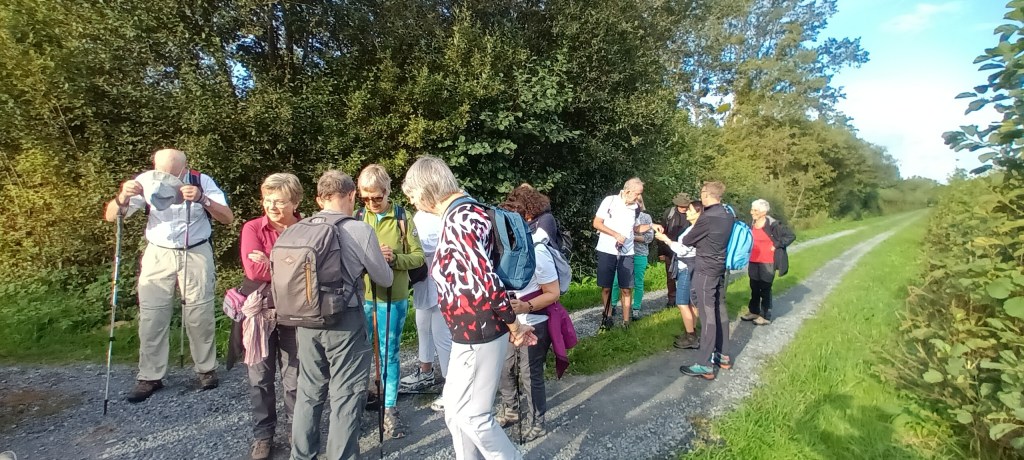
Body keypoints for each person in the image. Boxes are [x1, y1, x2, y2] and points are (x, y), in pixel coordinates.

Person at [402, 155, 536, 460]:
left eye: (412, 195)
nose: (412, 202)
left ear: (426, 190)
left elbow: (486, 280)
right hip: (469, 330)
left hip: (478, 330)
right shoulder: (465, 210)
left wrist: (514, 325)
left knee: (475, 417)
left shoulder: (460, 219)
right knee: (455, 413)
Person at [103, 148, 234, 403]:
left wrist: (202, 199)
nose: (166, 178)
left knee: (199, 313)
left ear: (184, 169)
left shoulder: (201, 180)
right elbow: (112, 216)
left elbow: (227, 218)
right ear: (155, 167)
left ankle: (206, 369)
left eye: (173, 174)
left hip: (195, 250)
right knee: (152, 315)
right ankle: (150, 375)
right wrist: (123, 196)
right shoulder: (145, 182)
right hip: (158, 251)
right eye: (162, 172)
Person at [290, 170, 394, 460]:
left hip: (304, 320)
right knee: (346, 393)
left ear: (319, 199)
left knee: (308, 391)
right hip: (345, 320)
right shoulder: (359, 230)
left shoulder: (298, 229)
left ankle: (301, 456)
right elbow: (384, 279)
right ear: (351, 195)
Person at [355, 164, 425, 438]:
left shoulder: (402, 217)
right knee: (359, 353)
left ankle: (389, 408)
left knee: (389, 353)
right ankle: (356, 406)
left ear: (387, 191)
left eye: (377, 197)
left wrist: (394, 258)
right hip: (362, 297)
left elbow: (418, 257)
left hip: (393, 297)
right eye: (366, 198)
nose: (371, 203)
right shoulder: (358, 217)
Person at [238, 173, 303, 460]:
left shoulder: (307, 228)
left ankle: (296, 431)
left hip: (296, 313)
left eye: (280, 201)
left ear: (295, 202)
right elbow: (254, 271)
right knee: (260, 378)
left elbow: (311, 271)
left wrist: (271, 262)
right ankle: (263, 435)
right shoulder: (252, 227)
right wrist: (288, 265)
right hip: (261, 314)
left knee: (295, 377)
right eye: (268, 200)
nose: (272, 207)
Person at [494, 190, 565, 442]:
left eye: (509, 221)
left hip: (534, 321)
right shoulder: (501, 249)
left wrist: (525, 307)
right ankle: (511, 410)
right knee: (504, 367)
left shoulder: (537, 250)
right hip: (508, 320)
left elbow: (553, 293)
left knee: (529, 374)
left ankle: (537, 421)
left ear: (524, 219)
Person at [679, 181, 734, 380]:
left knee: (707, 313)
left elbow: (687, 240)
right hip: (719, 267)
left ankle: (704, 364)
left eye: (702, 192)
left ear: (706, 194)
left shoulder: (707, 217)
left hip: (705, 270)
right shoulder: (728, 214)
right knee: (720, 309)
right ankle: (723, 355)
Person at [398, 209, 452, 413]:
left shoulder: (444, 211)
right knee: (423, 324)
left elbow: (440, 244)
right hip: (423, 277)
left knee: (442, 334)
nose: (412, 200)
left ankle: (452, 387)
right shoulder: (421, 213)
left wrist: (408, 246)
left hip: (441, 278)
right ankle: (426, 371)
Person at [593, 178, 644, 329]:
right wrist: (615, 235)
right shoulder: (610, 201)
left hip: (627, 252)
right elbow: (597, 223)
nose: (639, 197)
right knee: (606, 287)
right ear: (627, 191)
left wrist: (652, 226)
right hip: (607, 249)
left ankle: (626, 322)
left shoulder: (636, 207)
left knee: (626, 288)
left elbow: (635, 228)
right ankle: (607, 316)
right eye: (637, 194)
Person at [655, 200, 703, 349]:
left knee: (682, 302)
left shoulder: (695, 230)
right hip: (692, 267)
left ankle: (691, 337)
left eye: (690, 210)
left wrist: (666, 240)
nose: (687, 212)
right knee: (691, 302)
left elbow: (682, 250)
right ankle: (691, 332)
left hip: (687, 268)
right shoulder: (696, 228)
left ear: (698, 213)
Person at [740, 199, 796, 326]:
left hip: (768, 261)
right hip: (753, 260)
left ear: (763, 212)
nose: (752, 212)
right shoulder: (751, 223)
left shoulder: (773, 224)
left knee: (765, 288)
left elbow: (790, 236)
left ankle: (765, 316)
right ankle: (754, 311)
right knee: (754, 287)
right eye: (752, 209)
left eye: (755, 210)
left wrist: (776, 245)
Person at [611, 196, 654, 321]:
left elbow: (648, 238)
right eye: (635, 200)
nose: (637, 203)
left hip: (640, 254)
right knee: (616, 281)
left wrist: (629, 237)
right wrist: (634, 235)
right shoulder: (623, 215)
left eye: (639, 201)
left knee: (638, 282)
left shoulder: (646, 217)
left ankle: (636, 309)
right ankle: (613, 305)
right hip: (623, 254)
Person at [657, 192, 691, 307]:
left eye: (686, 206)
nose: (684, 208)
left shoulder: (692, 214)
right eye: (682, 206)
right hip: (669, 250)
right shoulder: (669, 213)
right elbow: (662, 231)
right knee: (670, 276)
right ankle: (672, 300)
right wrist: (661, 252)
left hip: (686, 250)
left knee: (685, 275)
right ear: (677, 205)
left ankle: (685, 299)